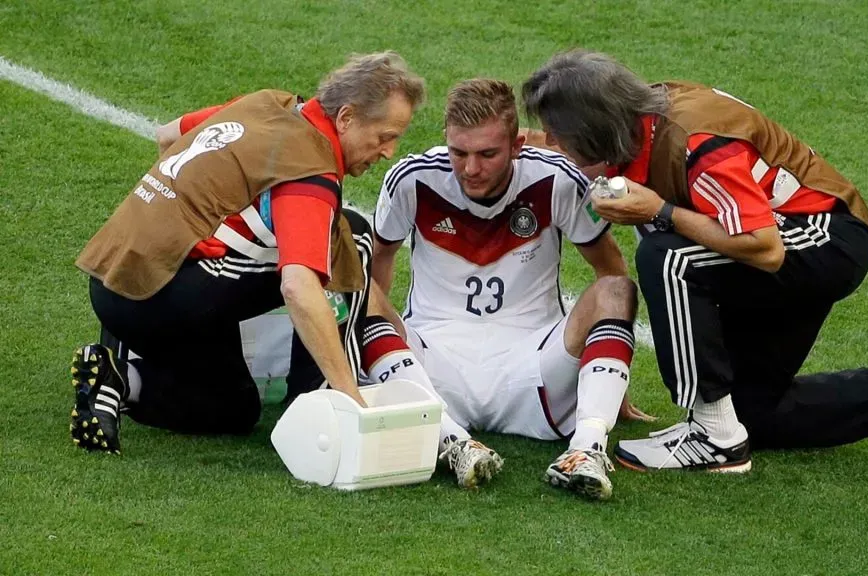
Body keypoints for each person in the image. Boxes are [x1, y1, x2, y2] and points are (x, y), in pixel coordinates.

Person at [520, 50, 868, 473]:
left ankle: (713, 436)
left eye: (560, 133)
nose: (553, 141)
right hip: (801, 236)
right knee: (753, 412)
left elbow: (764, 246)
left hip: (820, 239)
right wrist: (528, 142)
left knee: (667, 255)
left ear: (596, 129)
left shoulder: (696, 143)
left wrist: (657, 211)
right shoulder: (638, 116)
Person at [70, 52, 425, 455]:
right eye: (385, 136)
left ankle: (118, 379)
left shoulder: (264, 104)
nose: (389, 151)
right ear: (346, 118)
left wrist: (173, 221)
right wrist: (354, 402)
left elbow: (167, 136)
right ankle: (322, 403)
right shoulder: (309, 173)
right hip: (165, 297)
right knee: (350, 238)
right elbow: (297, 288)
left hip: (110, 278)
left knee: (233, 408)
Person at [371, 79, 646, 500]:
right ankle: (451, 441)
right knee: (359, 296)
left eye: (487, 154)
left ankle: (586, 449)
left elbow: (608, 267)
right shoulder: (412, 179)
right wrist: (381, 346)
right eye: (458, 152)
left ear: (516, 145)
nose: (470, 169)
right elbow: (380, 262)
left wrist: (610, 379)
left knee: (617, 290)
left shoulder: (555, 179)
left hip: (534, 367)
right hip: (436, 369)